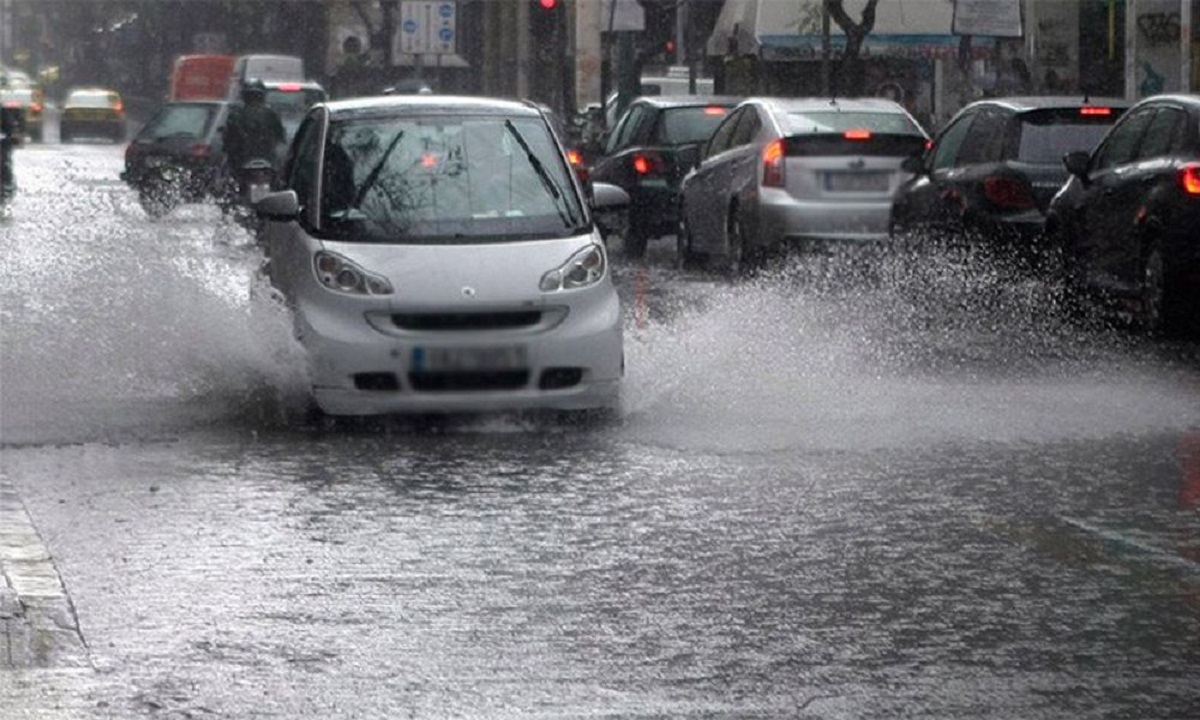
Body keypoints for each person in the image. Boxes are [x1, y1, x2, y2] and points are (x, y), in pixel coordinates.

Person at [223, 78, 285, 197]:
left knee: (226, 183)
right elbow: (280, 136)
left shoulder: (235, 114)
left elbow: (227, 140)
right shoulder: (271, 113)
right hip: (264, 160)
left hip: (241, 160)